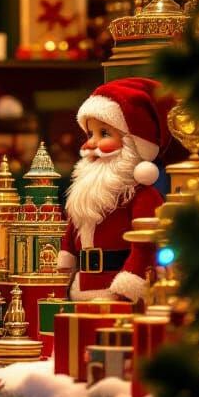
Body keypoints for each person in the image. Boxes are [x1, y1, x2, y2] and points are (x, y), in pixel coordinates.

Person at [59, 77, 175, 303]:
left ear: (133, 144)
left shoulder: (143, 196)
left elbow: (145, 249)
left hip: (117, 296)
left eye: (104, 134)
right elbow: (71, 237)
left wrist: (123, 291)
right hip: (78, 292)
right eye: (89, 134)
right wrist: (62, 270)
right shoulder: (87, 192)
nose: (90, 144)